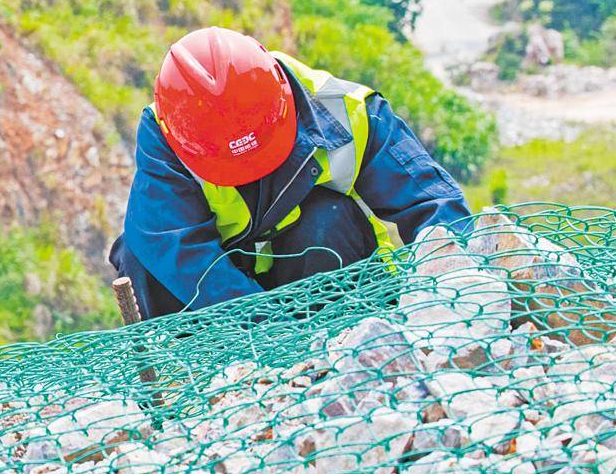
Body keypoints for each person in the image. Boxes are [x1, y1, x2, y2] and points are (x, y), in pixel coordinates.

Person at [110, 26, 471, 318]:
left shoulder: (345, 109)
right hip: (226, 308)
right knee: (139, 255)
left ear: (284, 97)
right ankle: (191, 377)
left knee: (329, 218)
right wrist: (269, 330)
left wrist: (460, 280)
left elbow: (432, 202)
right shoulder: (170, 134)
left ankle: (346, 336)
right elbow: (177, 250)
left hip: (327, 282)